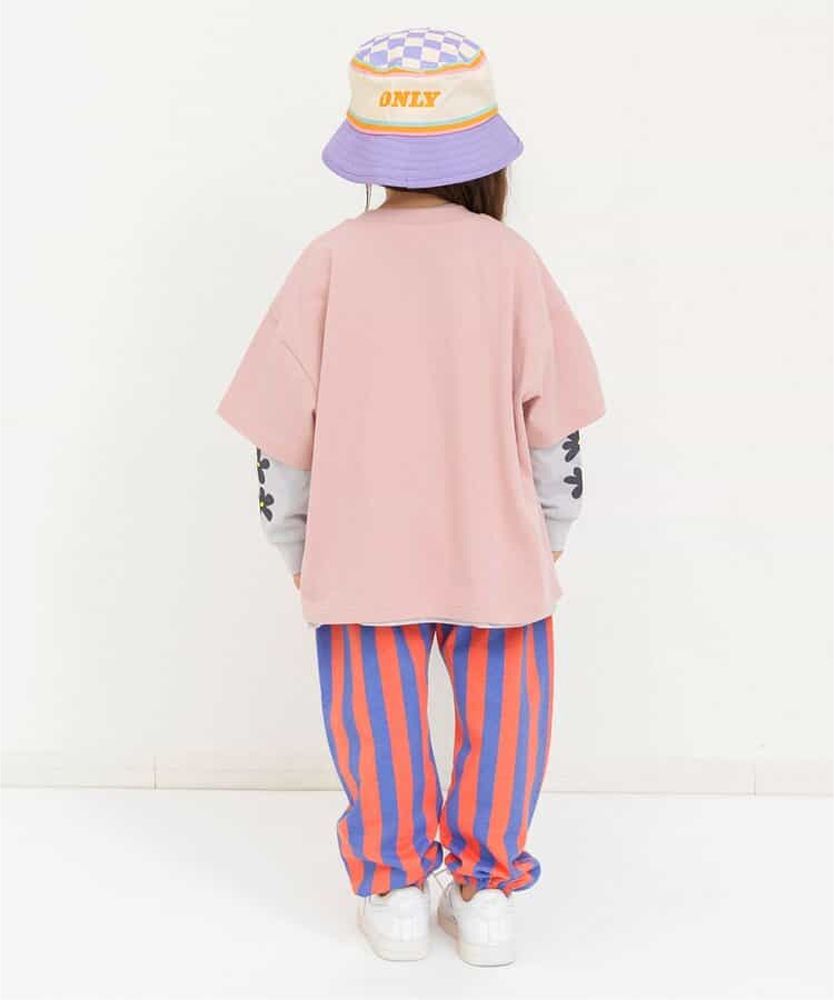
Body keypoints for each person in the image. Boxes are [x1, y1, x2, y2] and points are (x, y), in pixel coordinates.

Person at [218, 27, 605, 966]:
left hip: (360, 552)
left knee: (375, 724)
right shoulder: (511, 262)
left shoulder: (329, 261)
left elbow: (280, 435)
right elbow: (557, 427)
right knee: (507, 721)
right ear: (486, 155)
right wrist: (551, 530)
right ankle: (486, 889)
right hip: (497, 545)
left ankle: (394, 887)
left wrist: (294, 543)